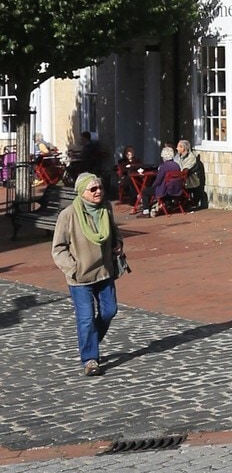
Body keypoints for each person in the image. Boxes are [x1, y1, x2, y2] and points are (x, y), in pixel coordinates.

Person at [51, 169, 129, 374]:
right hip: (80, 277)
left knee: (109, 310)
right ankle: (90, 359)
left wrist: (118, 243)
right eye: (93, 189)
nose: (98, 192)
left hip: (104, 272)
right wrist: (73, 268)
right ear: (81, 192)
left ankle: (90, 340)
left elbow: (114, 231)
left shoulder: (106, 209)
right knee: (85, 318)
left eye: (100, 187)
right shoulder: (68, 215)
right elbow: (58, 248)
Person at [147, 145, 185, 214]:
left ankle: (146, 210)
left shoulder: (163, 166)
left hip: (165, 190)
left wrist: (153, 186)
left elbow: (158, 180)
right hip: (176, 189)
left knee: (145, 191)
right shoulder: (176, 165)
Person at [175, 139, 206, 210]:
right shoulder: (178, 156)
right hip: (180, 178)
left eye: (179, 147)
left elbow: (185, 170)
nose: (177, 148)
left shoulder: (191, 157)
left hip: (189, 180)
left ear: (183, 148)